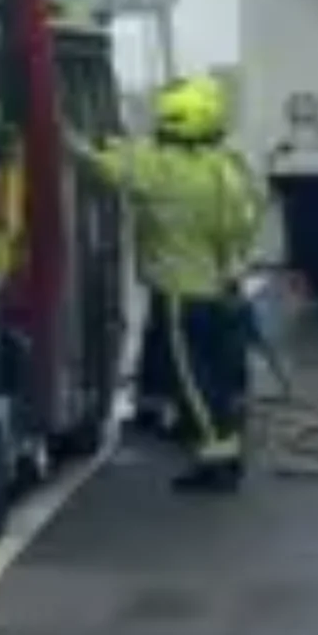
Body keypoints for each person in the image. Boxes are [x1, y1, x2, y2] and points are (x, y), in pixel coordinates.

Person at [72, 76, 264, 492]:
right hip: (221, 287)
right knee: (218, 375)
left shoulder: (159, 168)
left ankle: (217, 459)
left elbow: (101, 165)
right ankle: (214, 440)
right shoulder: (229, 166)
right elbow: (252, 215)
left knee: (193, 381)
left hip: (181, 293)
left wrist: (67, 137)